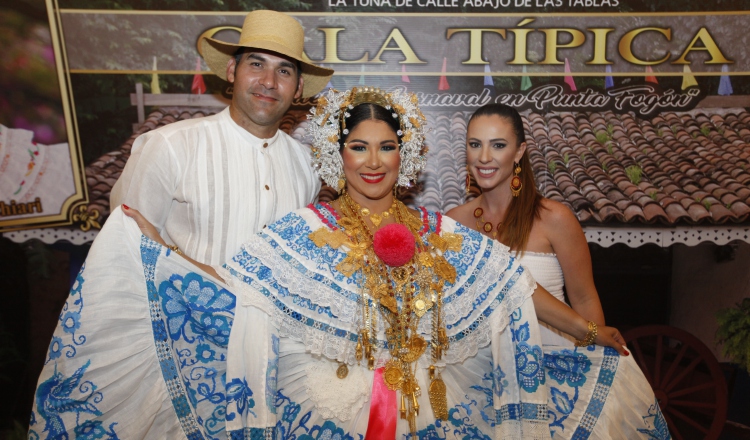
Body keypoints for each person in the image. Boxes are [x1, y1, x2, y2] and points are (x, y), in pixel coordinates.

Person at [30, 87, 668, 439]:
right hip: (327, 412)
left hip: (433, 410)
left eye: (386, 147)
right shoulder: (304, 229)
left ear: (403, 155)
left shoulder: (438, 228)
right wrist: (160, 252)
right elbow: (238, 288)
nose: (372, 161)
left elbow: (512, 286)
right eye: (358, 147)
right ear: (338, 156)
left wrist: (590, 331)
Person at [110, 10, 334, 266]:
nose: (269, 81)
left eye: (284, 71)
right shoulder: (170, 146)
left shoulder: (307, 165)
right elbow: (122, 248)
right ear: (231, 71)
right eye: (256, 64)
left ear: (298, 88)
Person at [447, 104, 604, 346]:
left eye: (498, 145)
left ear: (519, 152)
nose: (484, 157)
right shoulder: (453, 222)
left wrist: (596, 359)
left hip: (553, 361)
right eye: (475, 144)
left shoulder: (555, 218)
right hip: (479, 365)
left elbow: (584, 300)